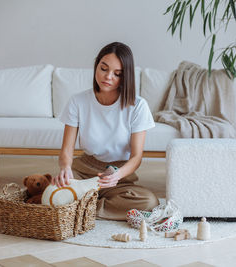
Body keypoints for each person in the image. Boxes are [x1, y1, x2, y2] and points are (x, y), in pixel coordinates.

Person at [52, 42, 159, 220]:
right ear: (96, 66)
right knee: (54, 191)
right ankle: (86, 206)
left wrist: (117, 175)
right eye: (103, 68)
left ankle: (84, 208)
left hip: (118, 176)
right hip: (84, 171)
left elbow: (136, 157)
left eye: (117, 74)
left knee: (149, 202)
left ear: (126, 77)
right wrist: (65, 168)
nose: (108, 77)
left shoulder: (138, 106)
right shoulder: (78, 102)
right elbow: (66, 149)